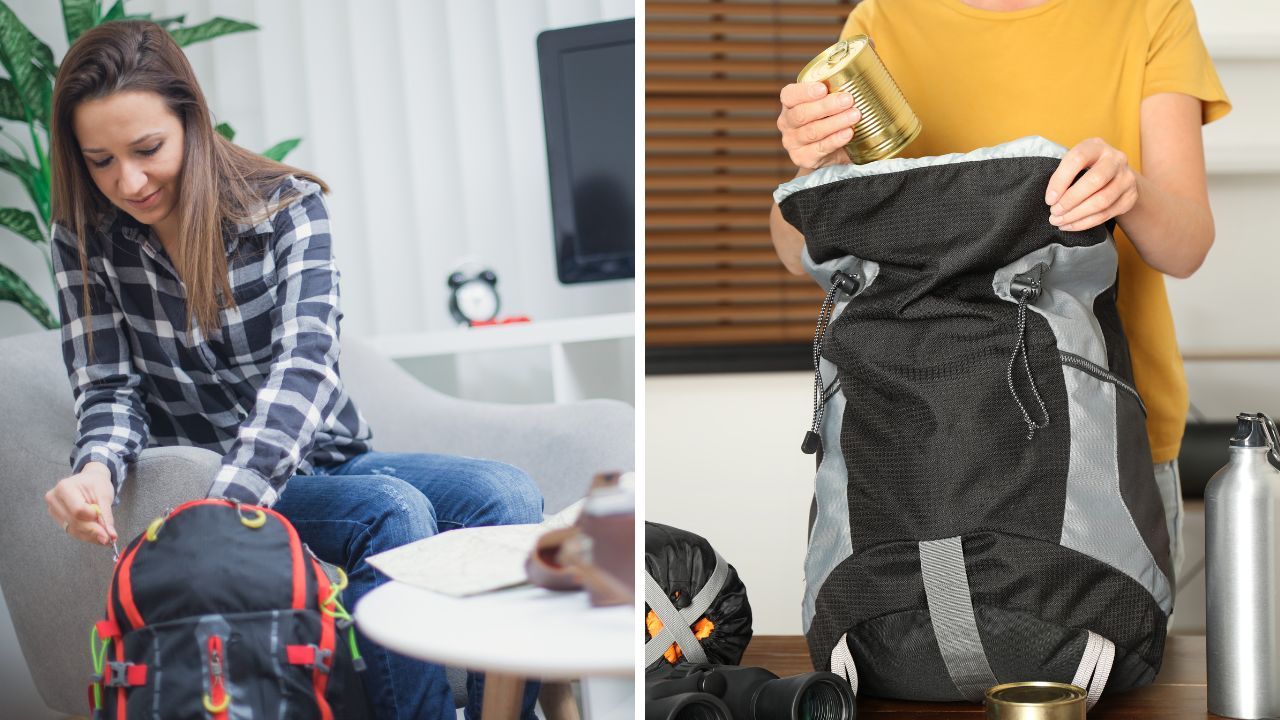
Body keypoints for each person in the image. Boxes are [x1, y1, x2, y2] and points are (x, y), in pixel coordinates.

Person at [41, 20, 543, 720]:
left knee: (507, 498)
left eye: (147, 148)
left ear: (191, 119)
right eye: (99, 160)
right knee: (392, 515)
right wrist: (97, 468)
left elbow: (304, 365)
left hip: (316, 460)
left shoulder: (285, 207)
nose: (127, 180)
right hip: (198, 477)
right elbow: (108, 385)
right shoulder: (82, 239)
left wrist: (240, 493)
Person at [770, 0, 1230, 590]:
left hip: (1107, 434)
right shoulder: (885, 20)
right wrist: (817, 169)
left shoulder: (1149, 12)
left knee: (1108, 670)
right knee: (918, 667)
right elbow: (792, 250)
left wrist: (1130, 191)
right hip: (927, 431)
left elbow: (1186, 247)